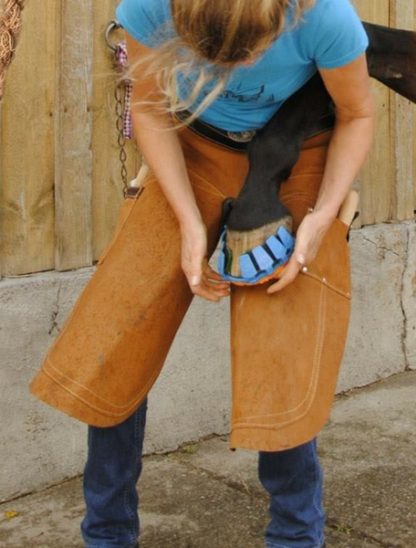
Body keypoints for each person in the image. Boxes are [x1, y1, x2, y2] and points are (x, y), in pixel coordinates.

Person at [81, 0, 374, 546]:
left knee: (279, 346)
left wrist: (320, 219)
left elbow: (357, 114)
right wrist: (191, 225)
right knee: (118, 337)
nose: (232, 75)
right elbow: (148, 107)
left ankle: (295, 537)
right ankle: (106, 535)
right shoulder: (148, 7)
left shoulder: (326, 16)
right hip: (191, 144)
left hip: (299, 155)